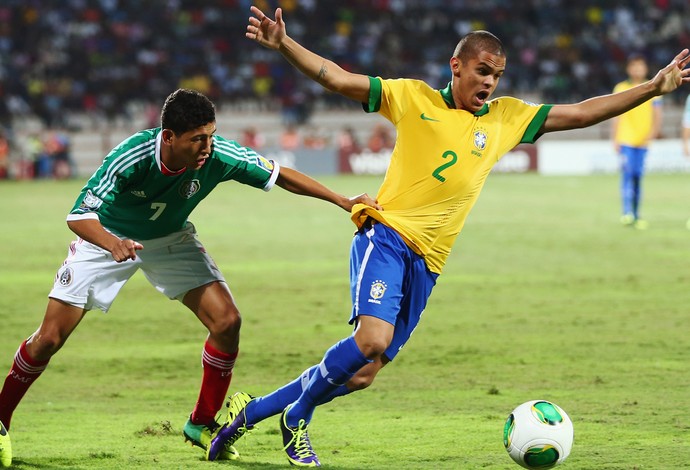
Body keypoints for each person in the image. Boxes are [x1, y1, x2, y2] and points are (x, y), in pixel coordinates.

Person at [208, 6, 690, 467]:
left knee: (363, 373)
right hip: (387, 236)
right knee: (371, 340)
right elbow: (334, 76)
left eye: (497, 76)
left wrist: (653, 87)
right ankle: (297, 417)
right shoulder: (411, 97)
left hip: (430, 263)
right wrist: (285, 43)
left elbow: (583, 113)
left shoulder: (506, 118)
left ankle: (254, 411)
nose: (489, 83)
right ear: (456, 66)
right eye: (482, 71)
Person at [0, 88, 379, 467]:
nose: (207, 147)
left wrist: (342, 200)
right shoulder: (132, 156)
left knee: (227, 321)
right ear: (169, 137)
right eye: (198, 139)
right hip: (106, 239)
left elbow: (281, 176)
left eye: (211, 135)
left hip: (170, 239)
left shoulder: (218, 155)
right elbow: (78, 215)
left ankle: (201, 423)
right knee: (48, 339)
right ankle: (0, 420)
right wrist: (113, 243)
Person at [611, 54, 664, 230]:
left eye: (640, 66)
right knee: (628, 174)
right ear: (628, 69)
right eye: (634, 66)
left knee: (637, 177)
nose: (637, 69)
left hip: (642, 141)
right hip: (626, 138)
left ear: (645, 69)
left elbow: (657, 114)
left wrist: (653, 133)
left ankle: (636, 214)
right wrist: (615, 138)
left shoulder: (653, 88)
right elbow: (615, 114)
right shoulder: (621, 87)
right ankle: (627, 213)